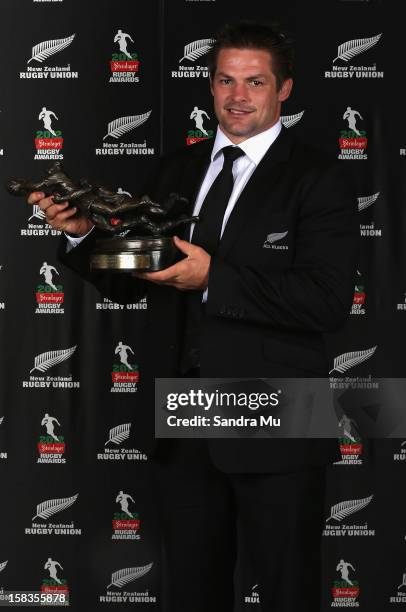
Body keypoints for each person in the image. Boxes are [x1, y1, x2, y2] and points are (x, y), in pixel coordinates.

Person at [28, 20, 359, 612]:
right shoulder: (176, 170)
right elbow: (135, 284)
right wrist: (83, 236)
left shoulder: (321, 177)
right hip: (183, 421)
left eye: (255, 82)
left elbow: (327, 301)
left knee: (289, 591)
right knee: (192, 591)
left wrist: (215, 278)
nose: (238, 97)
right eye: (226, 81)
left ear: (283, 90)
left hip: (277, 417)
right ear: (209, 88)